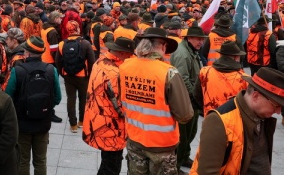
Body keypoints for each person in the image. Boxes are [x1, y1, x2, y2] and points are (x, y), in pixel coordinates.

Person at [119, 27, 194, 174]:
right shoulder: (169, 72)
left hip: (135, 139)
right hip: (162, 145)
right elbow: (185, 115)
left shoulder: (124, 67)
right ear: (163, 46)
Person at [190, 67, 284, 174]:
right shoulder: (219, 121)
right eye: (276, 105)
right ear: (256, 96)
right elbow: (207, 172)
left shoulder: (263, 116)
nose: (278, 112)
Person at [5, 36, 61, 175]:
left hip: (22, 123)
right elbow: (58, 98)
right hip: (43, 122)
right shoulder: (50, 70)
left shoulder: (18, 71)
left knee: (23, 160)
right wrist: (45, 108)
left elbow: (8, 97)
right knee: (40, 160)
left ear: (27, 53)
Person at [82, 37, 135, 175]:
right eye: (130, 54)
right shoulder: (114, 73)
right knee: (112, 166)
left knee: (107, 162)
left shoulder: (100, 61)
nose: (131, 57)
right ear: (122, 53)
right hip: (111, 128)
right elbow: (119, 106)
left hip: (97, 120)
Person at [170, 26, 208, 171]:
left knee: (191, 132)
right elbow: (183, 79)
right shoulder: (183, 54)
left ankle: (184, 157)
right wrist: (195, 96)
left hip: (191, 100)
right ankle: (176, 165)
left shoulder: (191, 50)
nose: (201, 42)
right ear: (189, 38)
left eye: (202, 40)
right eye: (198, 39)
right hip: (186, 100)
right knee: (183, 135)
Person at [56, 20, 95, 132]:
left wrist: (63, 74)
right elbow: (92, 62)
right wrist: (89, 76)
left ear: (68, 30)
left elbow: (58, 61)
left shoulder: (62, 44)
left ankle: (73, 125)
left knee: (71, 98)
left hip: (68, 75)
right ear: (78, 29)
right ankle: (81, 121)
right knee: (83, 98)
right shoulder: (86, 43)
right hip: (83, 76)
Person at [194, 41, 248, 117]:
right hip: (235, 122)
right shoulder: (245, 78)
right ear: (236, 57)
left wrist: (206, 110)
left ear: (221, 55)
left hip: (211, 119)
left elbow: (197, 95)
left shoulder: (205, 72)